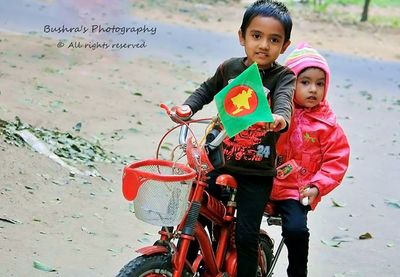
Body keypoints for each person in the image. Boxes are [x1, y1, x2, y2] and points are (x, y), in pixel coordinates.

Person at [171, 1, 294, 276]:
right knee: (197, 214)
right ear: (242, 36)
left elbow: (284, 101)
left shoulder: (283, 76)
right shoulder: (229, 69)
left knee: (246, 235)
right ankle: (183, 266)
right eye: (256, 36)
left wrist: (280, 118)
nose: (263, 45)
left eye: (274, 40)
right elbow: (206, 89)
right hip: (219, 159)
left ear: (284, 46)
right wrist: (188, 108)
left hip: (257, 172)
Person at [270, 43, 351, 277]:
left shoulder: (327, 125)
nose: (313, 89)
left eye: (319, 83)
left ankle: (297, 272)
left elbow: (336, 160)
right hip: (261, 180)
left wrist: (317, 186)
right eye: (304, 82)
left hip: (296, 190)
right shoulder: (275, 110)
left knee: (296, 231)